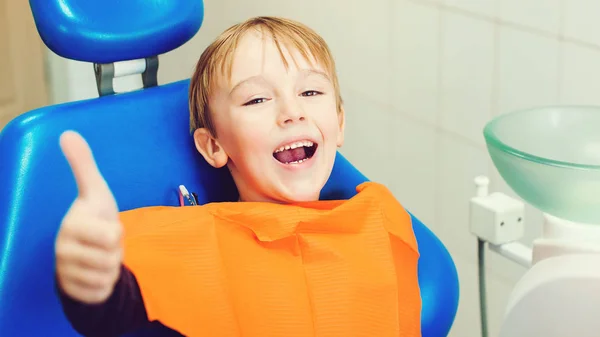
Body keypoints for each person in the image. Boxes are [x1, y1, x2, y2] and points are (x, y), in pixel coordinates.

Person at [55, 16, 421, 337]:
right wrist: (90, 275)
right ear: (214, 146)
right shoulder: (201, 243)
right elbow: (116, 309)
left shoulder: (379, 220)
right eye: (256, 100)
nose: (292, 112)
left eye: (310, 91)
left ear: (338, 124)